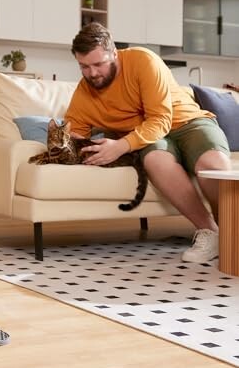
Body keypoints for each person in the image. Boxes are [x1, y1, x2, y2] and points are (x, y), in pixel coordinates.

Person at [65, 22, 231, 263]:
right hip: (150, 139)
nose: (92, 73)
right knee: (154, 160)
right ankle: (211, 233)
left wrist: (120, 146)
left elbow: (161, 119)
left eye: (98, 64)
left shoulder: (143, 61)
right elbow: (74, 135)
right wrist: (77, 146)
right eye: (84, 67)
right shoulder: (84, 94)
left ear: (114, 53)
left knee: (213, 166)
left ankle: (231, 230)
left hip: (187, 122)